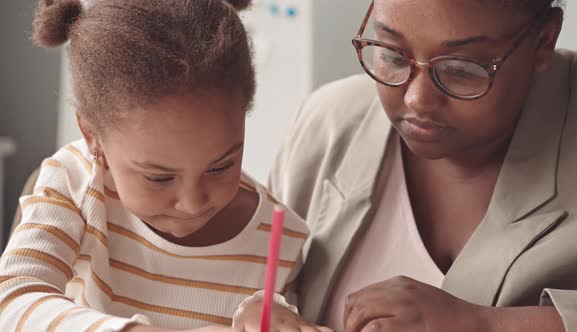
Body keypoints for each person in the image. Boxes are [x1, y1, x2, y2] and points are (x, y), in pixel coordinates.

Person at [0, 1, 332, 331]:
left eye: (220, 167)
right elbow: (11, 301)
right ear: (92, 135)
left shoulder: (281, 239)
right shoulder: (74, 183)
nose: (192, 203)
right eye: (158, 177)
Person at [268, 0, 577, 331]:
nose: (417, 100)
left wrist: (486, 324)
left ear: (543, 40)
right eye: (393, 55)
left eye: (461, 68)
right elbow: (247, 286)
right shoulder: (327, 123)